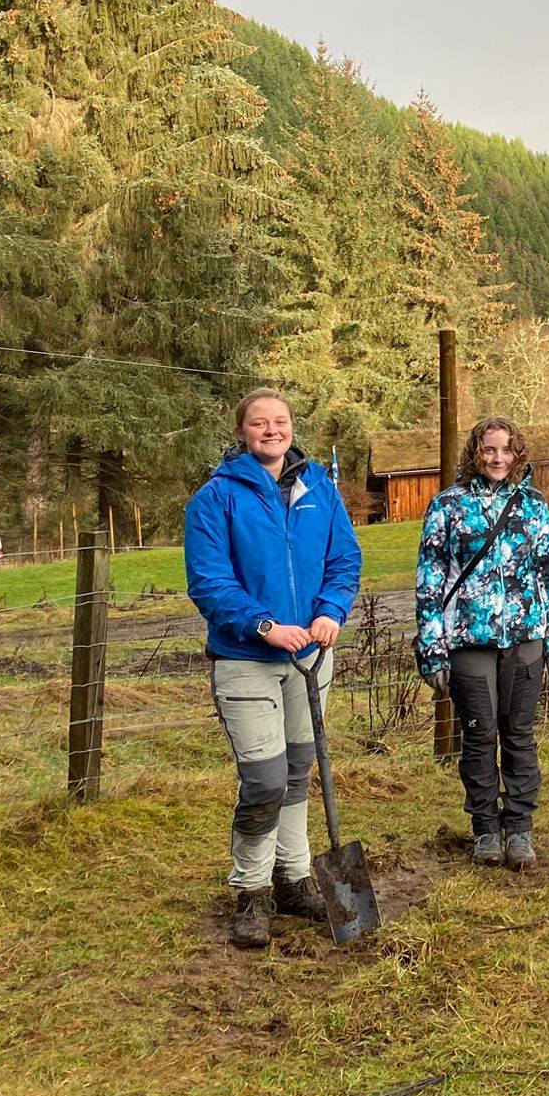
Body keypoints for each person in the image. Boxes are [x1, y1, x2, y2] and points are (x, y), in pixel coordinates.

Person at [185, 389, 362, 949]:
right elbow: (209, 581)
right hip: (247, 659)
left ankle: (294, 878)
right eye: (259, 423)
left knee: (298, 771)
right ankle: (251, 891)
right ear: (242, 431)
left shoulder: (321, 491)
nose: (271, 430)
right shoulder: (215, 499)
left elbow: (345, 559)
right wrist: (263, 626)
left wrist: (331, 612)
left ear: (291, 428)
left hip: (310, 656)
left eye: (280, 422)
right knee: (264, 778)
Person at [413, 417, 549, 871]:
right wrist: (433, 647)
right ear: (474, 453)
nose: (497, 459)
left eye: (505, 450)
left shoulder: (532, 505)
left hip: (525, 638)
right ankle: (484, 826)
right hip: (470, 640)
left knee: (519, 734)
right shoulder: (447, 506)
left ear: (517, 454)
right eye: (489, 450)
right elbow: (430, 580)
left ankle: (519, 827)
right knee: (480, 737)